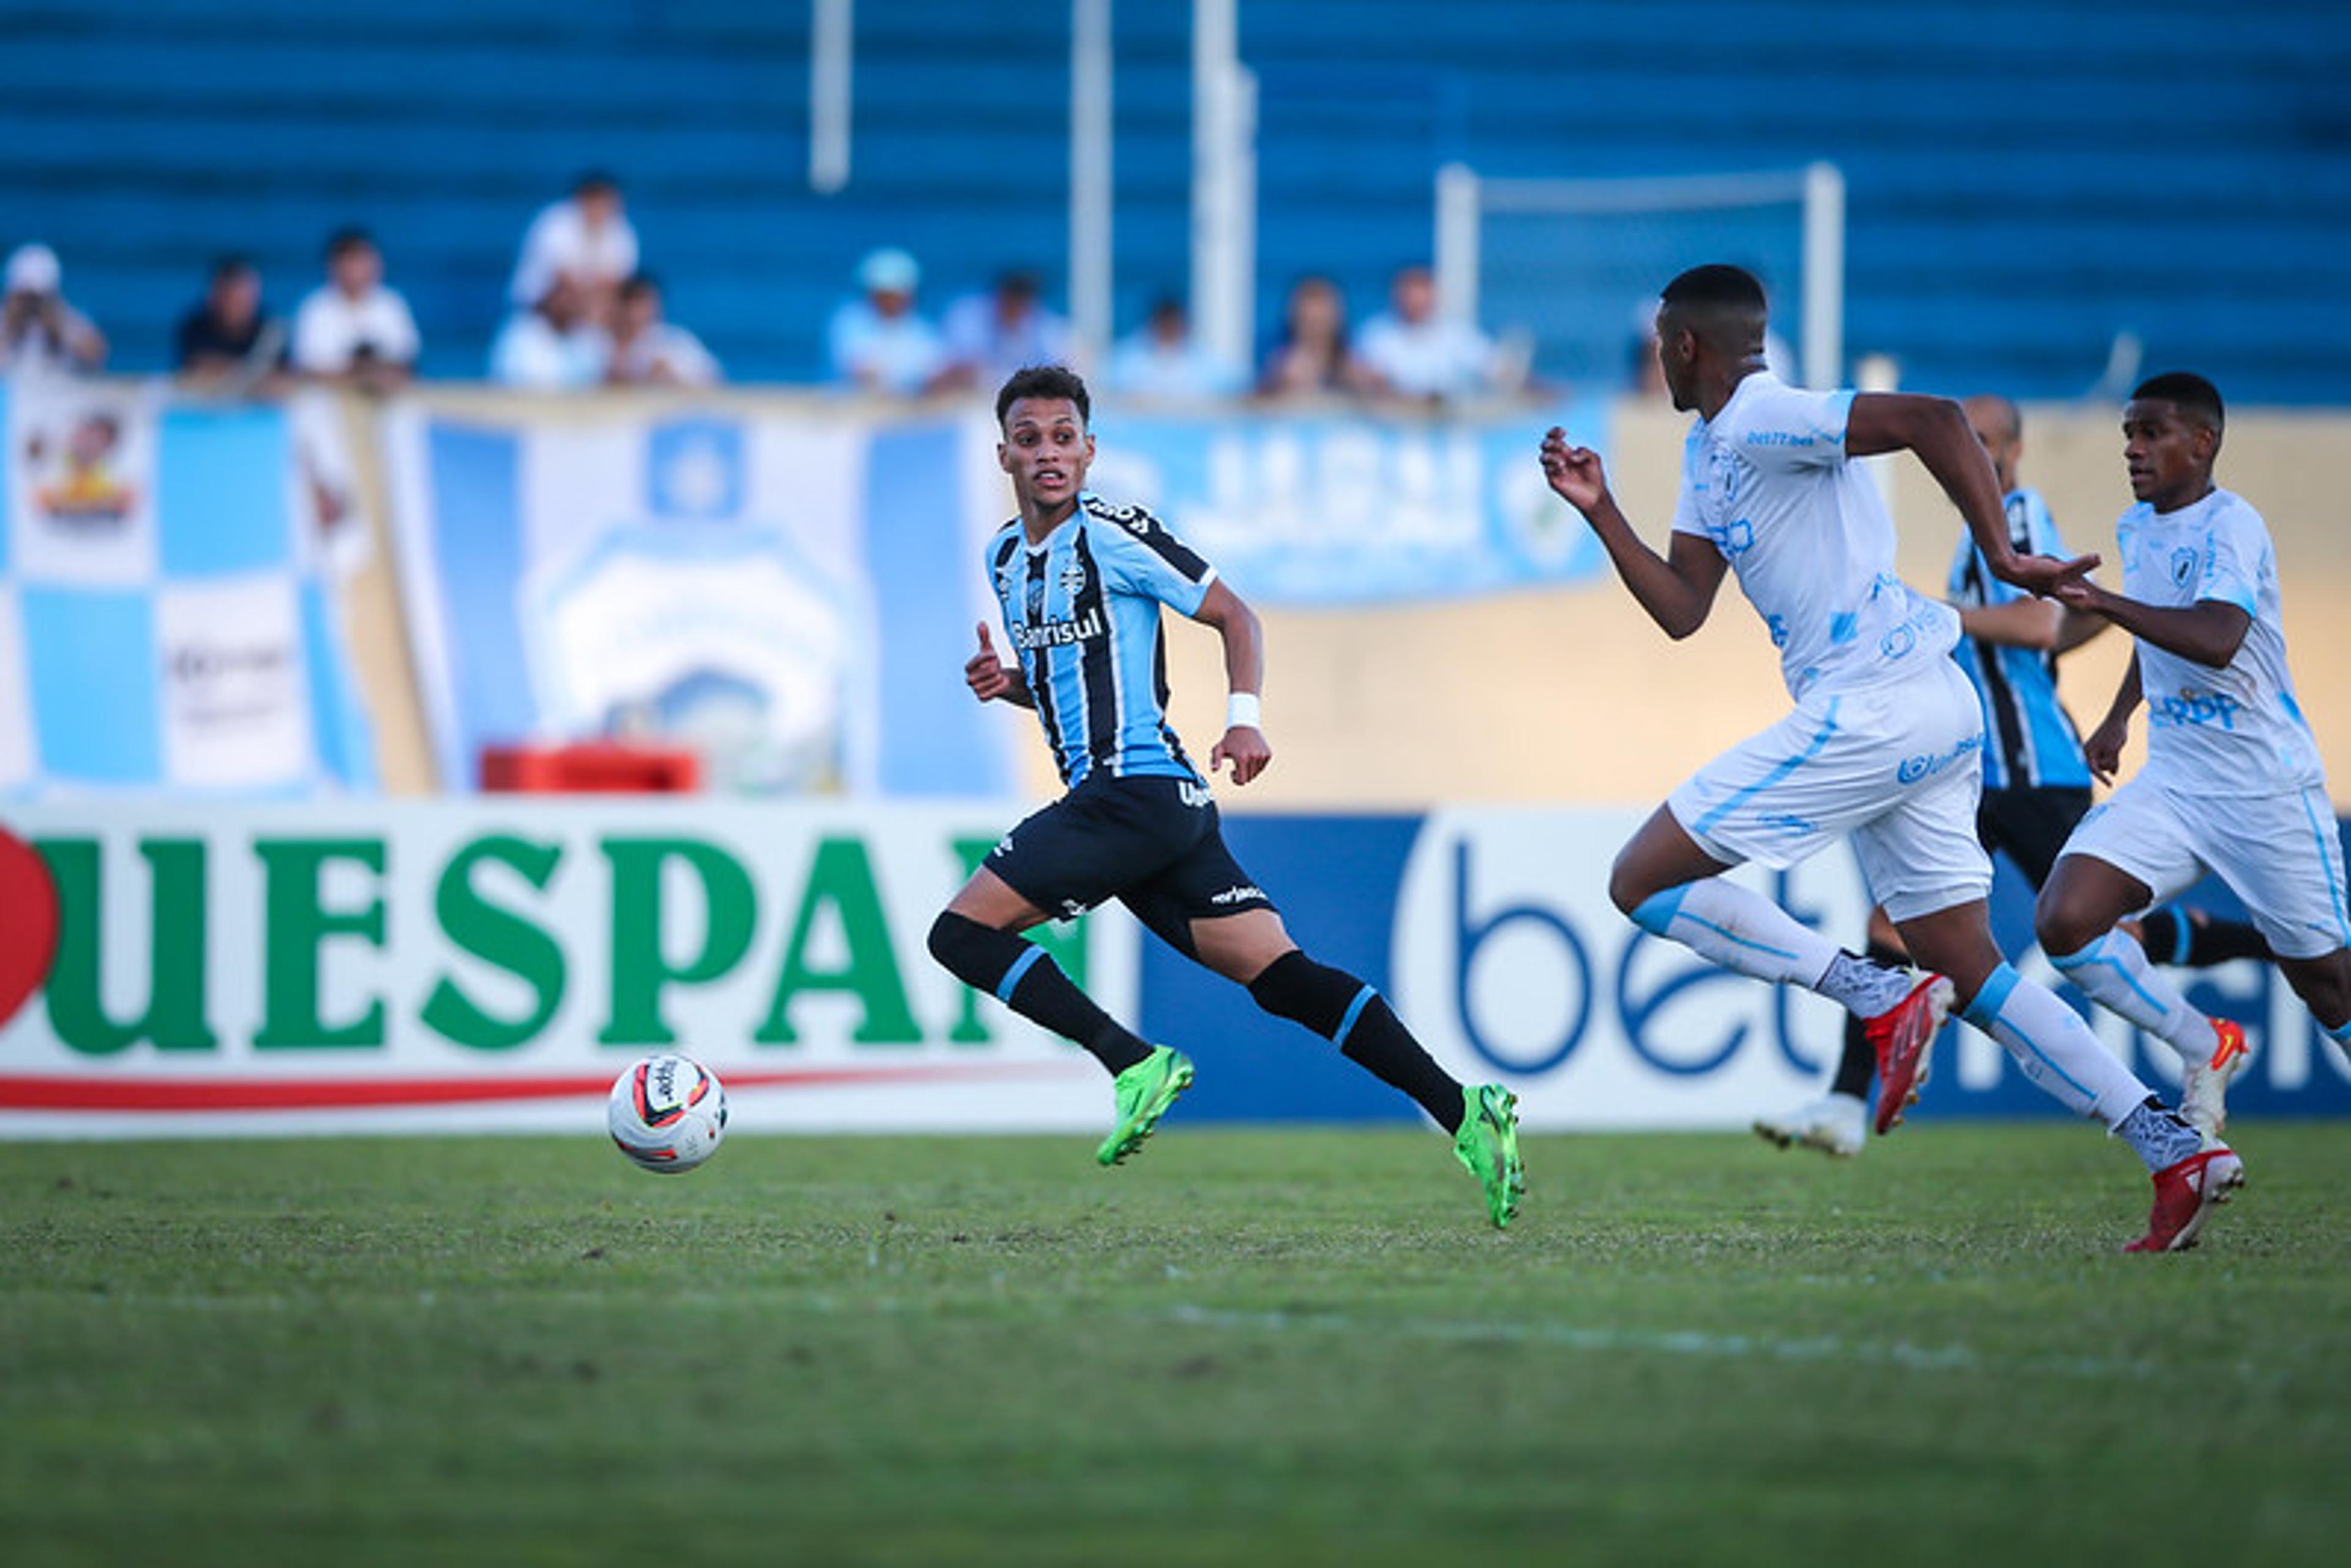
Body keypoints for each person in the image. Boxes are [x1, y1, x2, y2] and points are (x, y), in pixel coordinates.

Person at [1539, 264, 2237, 1253]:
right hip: (1925, 710)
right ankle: (2172, 1148)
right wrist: (1600, 509)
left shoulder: (1765, 415)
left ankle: (1877, 991)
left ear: (1687, 344)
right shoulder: (1710, 452)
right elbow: (1684, 610)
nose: (1655, 358)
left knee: (1641, 880)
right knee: (1975, 970)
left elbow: (1937, 420)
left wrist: (1998, 551)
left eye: (1660, 342)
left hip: (1874, 702)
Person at [928, 364, 1525, 1227]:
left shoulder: (1114, 532)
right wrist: (1011, 683)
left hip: (1130, 791)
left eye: (1064, 437)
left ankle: (1130, 1061)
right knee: (1283, 979)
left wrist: (1245, 719)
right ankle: (1466, 1110)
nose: (1048, 453)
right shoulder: (1005, 558)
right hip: (1149, 809)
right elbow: (1074, 679)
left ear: (1090, 452)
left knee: (960, 932)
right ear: (1004, 455)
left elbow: (1236, 615)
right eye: (1030, 439)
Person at [1755, 394, 2271, 1157]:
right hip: (1974, 775)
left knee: (2104, 934)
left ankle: (2263, 958)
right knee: (1888, 928)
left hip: (2034, 771)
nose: (1977, 453)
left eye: (1988, 440)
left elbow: (2034, 625)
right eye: (1968, 439)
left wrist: (1932, 615)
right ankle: (1840, 1101)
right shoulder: (1979, 537)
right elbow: (2051, 629)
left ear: (2015, 451)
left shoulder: (2018, 513)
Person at [2034, 372, 2351, 1135]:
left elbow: (2214, 636)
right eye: (2127, 437)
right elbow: (2161, 632)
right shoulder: (2138, 527)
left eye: (2151, 433)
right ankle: (2205, 1043)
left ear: (2202, 442)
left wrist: (2104, 602)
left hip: (2263, 785)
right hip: (2175, 781)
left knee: (2329, 986)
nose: (2133, 451)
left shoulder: (2232, 525)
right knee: (2065, 920)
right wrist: (2117, 716)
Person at [1354, 264, 1505, 403]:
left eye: (1422, 292)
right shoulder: (1375, 333)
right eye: (1409, 293)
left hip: (1448, 425)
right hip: (1389, 422)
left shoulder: (1457, 334)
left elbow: (1496, 368)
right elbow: (1361, 376)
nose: (1415, 300)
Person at [291, 228, 419, 393]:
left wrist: (375, 374)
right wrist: (360, 376)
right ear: (335, 266)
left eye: (366, 260)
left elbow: (405, 361)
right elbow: (308, 369)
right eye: (352, 261)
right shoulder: (315, 309)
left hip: (384, 401)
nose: (360, 269)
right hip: (328, 402)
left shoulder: (391, 305)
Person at [509, 171, 639, 321]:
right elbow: (563, 279)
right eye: (598, 202)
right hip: (537, 311)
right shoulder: (555, 222)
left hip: (589, 313)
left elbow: (616, 283)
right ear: (583, 200)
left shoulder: (622, 230)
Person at [826, 248, 947, 397]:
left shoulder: (921, 329)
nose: (891, 302)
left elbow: (937, 373)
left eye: (897, 295)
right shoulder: (851, 321)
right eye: (885, 295)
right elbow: (860, 371)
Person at [940, 271, 1071, 391]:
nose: (1018, 307)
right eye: (1014, 299)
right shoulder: (969, 316)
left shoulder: (1045, 326)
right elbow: (963, 367)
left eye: (1024, 301)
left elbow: (1066, 365)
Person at [1256, 276, 1379, 402]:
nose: (1316, 329)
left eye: (1322, 320)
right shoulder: (1279, 366)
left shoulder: (1356, 364)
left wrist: (1372, 387)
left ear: (1338, 317)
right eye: (1310, 321)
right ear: (1295, 319)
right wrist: (1278, 386)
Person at [1106, 295, 1245, 402]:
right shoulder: (1128, 358)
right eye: (1166, 325)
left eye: (1174, 325)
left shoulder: (1203, 360)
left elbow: (1233, 385)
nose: (1170, 329)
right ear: (1155, 324)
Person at [176, 255, 285, 388]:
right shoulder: (195, 326)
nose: (242, 301)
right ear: (217, 294)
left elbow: (281, 378)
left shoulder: (270, 329)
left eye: (247, 294)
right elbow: (197, 367)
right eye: (235, 295)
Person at [489, 274, 611, 390]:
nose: (568, 304)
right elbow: (510, 382)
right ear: (550, 297)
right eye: (563, 296)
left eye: (574, 298)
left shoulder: (592, 338)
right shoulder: (519, 333)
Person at [0, 243, 106, 377]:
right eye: (25, 298)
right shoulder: (4, 320)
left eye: (36, 299)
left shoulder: (65, 319)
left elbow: (96, 355)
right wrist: (11, 326)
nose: (31, 306)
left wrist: (56, 326)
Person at [606, 274, 721, 388]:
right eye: (630, 304)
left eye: (642, 304)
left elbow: (713, 382)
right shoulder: (601, 343)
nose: (635, 313)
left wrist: (671, 377)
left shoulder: (676, 343)